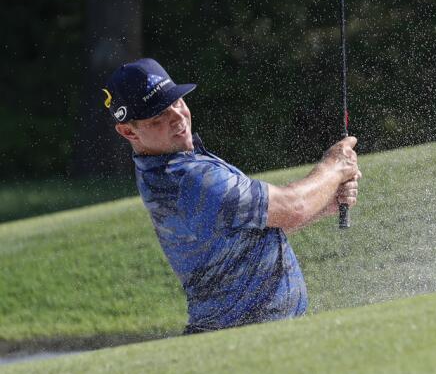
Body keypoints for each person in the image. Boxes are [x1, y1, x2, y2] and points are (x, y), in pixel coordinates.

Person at [103, 58, 360, 334]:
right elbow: (292, 206)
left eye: (176, 102)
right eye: (158, 117)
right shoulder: (189, 178)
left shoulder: (174, 164)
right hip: (242, 339)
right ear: (129, 131)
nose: (177, 117)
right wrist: (334, 167)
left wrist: (325, 203)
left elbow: (256, 226)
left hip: (252, 334)